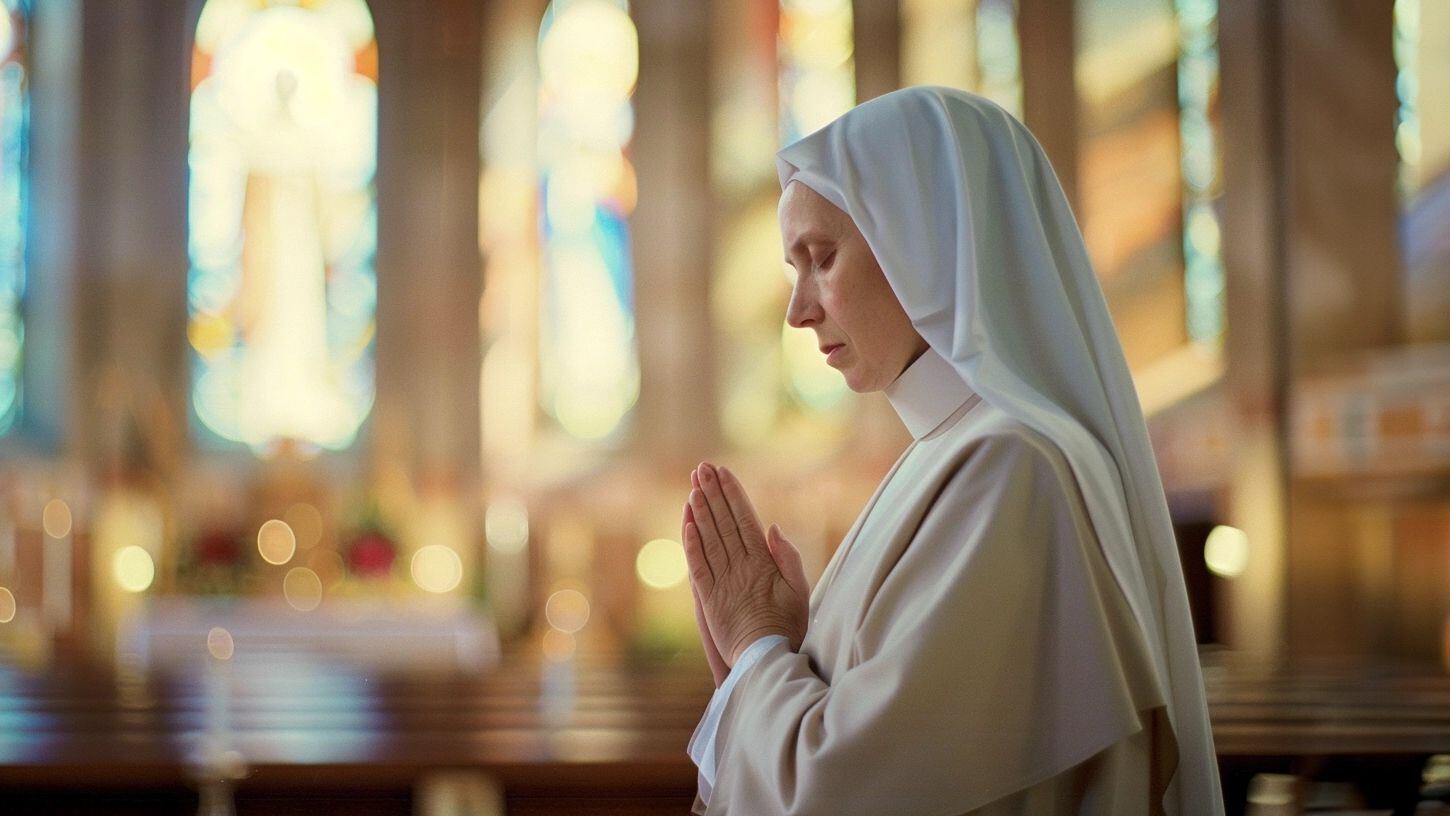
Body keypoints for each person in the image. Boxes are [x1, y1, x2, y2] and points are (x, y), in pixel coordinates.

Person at [680, 86, 1224, 815]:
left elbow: (842, 795)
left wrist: (756, 648)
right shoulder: (956, 449)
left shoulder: (1011, 467)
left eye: (822, 258)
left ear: (925, 240)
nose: (798, 311)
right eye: (793, 269)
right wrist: (768, 659)